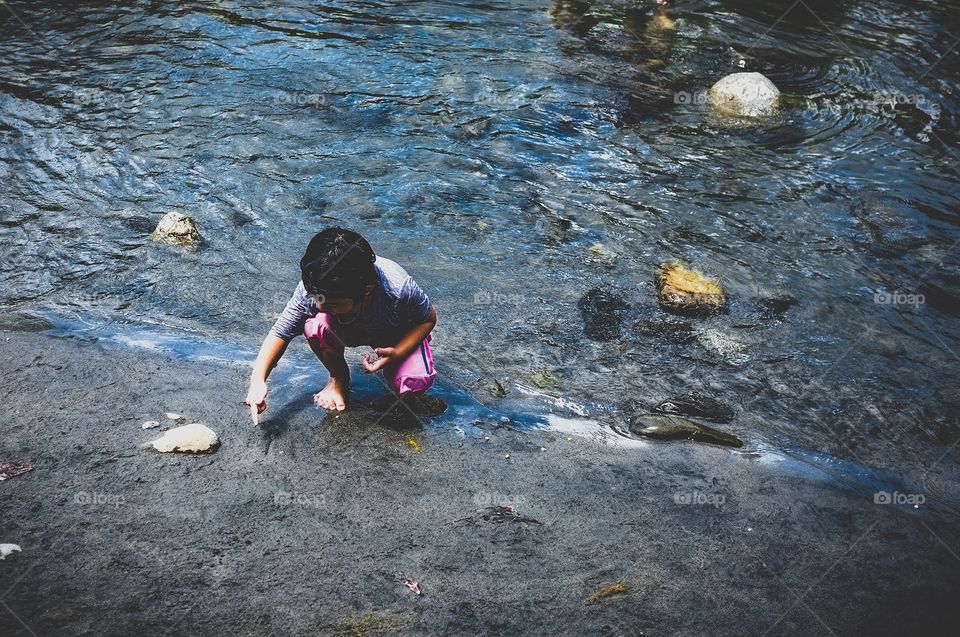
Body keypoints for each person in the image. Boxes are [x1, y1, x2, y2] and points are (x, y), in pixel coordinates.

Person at [245, 227, 437, 418]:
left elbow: (428, 319)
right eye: (316, 299)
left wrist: (399, 351)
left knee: (416, 381)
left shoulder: (398, 288)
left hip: (395, 333)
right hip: (346, 330)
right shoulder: (316, 287)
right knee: (315, 326)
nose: (320, 306)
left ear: (367, 291)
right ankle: (339, 379)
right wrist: (257, 382)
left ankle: (403, 389)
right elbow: (281, 332)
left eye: (333, 304)